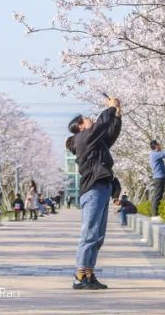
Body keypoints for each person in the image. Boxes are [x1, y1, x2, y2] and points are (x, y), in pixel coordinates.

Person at [66, 95, 123, 290]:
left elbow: (109, 135)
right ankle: (79, 276)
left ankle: (88, 274)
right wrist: (110, 109)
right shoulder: (83, 138)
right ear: (81, 126)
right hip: (93, 190)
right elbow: (100, 126)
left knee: (98, 236)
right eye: (87, 118)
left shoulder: (93, 141)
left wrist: (117, 114)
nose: (91, 119)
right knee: (89, 233)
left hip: (102, 188)